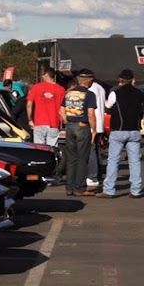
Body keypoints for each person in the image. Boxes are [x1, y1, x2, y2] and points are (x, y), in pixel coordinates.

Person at [101, 68, 143, 198]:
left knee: (113, 160)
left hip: (118, 130)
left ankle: (109, 190)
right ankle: (136, 190)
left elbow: (108, 107)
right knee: (135, 161)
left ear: (120, 80)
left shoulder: (115, 93)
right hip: (134, 130)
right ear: (132, 80)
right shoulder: (140, 94)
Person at [61, 74, 97, 196]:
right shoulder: (90, 94)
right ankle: (79, 188)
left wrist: (67, 121)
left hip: (70, 126)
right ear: (89, 82)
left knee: (71, 158)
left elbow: (61, 110)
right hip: (82, 126)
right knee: (83, 157)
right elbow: (90, 113)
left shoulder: (69, 93)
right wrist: (94, 129)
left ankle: (69, 187)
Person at [26, 67, 67, 154]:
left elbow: (29, 104)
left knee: (39, 150)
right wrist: (62, 122)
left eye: (43, 74)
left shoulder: (36, 87)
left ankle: (40, 165)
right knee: (52, 150)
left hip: (39, 123)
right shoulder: (61, 89)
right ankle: (52, 166)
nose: (42, 76)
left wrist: (30, 119)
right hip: (54, 124)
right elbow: (63, 108)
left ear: (47, 75)